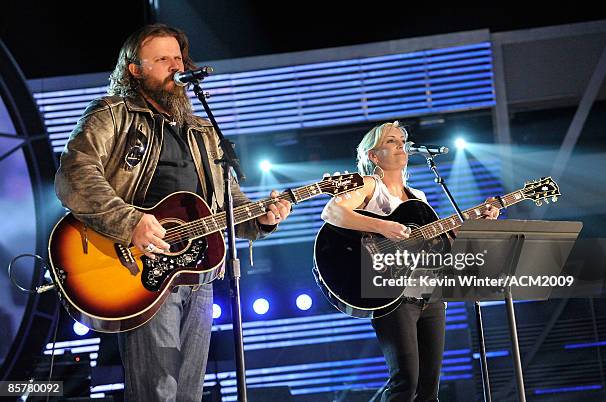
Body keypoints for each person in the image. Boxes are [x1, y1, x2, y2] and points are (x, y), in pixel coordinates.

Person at [54, 24, 291, 402]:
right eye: (162, 59)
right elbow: (76, 173)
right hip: (140, 266)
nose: (174, 65)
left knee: (188, 394)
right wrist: (129, 222)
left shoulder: (201, 129)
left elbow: (226, 202)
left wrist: (261, 218)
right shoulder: (112, 114)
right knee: (158, 392)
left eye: (178, 58)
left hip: (197, 270)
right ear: (135, 70)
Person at [321, 121, 499, 401]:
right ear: (374, 156)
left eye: (401, 140)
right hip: (389, 292)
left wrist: (477, 223)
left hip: (427, 293)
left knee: (429, 390)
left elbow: (440, 246)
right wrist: (383, 227)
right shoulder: (370, 185)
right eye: (391, 141)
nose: (401, 145)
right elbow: (332, 212)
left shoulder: (418, 197)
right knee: (406, 382)